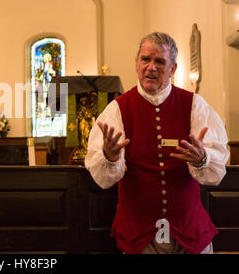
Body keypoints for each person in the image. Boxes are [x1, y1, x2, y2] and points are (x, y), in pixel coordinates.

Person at [85, 32, 229, 254]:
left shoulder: (194, 106)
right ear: (136, 64)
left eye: (159, 61)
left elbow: (216, 173)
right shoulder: (117, 109)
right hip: (140, 235)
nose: (150, 67)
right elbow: (102, 179)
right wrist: (110, 156)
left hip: (189, 230)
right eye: (145, 59)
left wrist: (202, 159)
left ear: (172, 69)